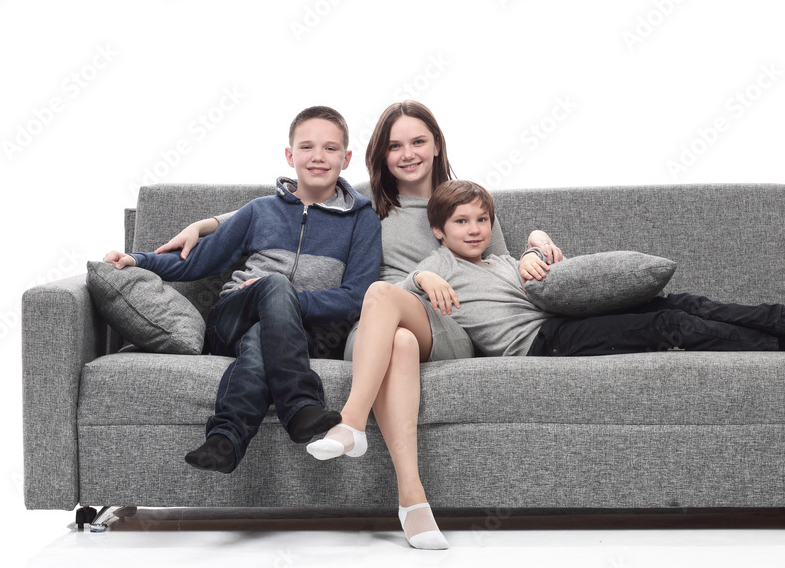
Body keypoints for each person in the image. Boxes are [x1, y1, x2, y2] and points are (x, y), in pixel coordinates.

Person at [160, 101, 558, 550]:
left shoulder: (467, 200)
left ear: (436, 145)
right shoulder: (368, 206)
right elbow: (292, 210)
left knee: (384, 297)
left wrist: (533, 247)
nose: (407, 153)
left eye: (418, 142)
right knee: (399, 341)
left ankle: (349, 422)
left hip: (446, 323)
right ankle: (413, 500)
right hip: (376, 328)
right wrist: (206, 222)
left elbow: (493, 264)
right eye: (395, 145)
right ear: (379, 155)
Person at [103, 106, 382, 474]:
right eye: (307, 147)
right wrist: (136, 260)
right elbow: (198, 261)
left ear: (346, 159)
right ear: (289, 155)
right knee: (272, 292)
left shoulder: (363, 220)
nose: (318, 157)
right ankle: (299, 406)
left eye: (330, 149)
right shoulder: (260, 210)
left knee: (262, 333)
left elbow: (358, 296)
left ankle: (226, 439)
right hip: (231, 318)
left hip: (306, 332)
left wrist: (286, 301)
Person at [392, 179, 785, 361]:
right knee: (669, 324)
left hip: (563, 320)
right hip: (544, 345)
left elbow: (547, 278)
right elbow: (385, 292)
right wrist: (421, 278)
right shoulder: (442, 265)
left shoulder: (503, 260)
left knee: (676, 301)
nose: (473, 230)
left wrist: (535, 243)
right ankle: (782, 345)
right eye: (460, 222)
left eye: (481, 220)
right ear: (438, 230)